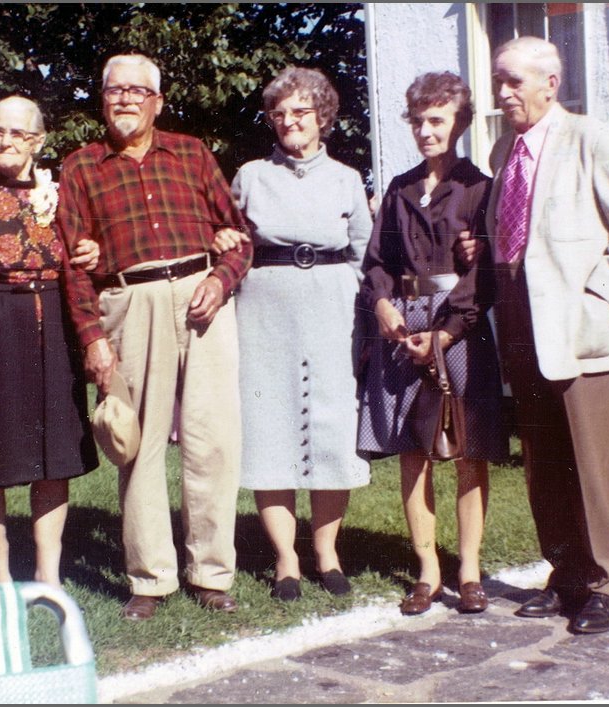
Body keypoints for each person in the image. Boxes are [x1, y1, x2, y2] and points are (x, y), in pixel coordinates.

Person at [56, 53, 253, 620]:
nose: (124, 100)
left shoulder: (191, 153)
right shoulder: (82, 166)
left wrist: (222, 279)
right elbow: (73, 264)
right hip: (128, 301)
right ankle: (150, 579)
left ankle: (211, 573)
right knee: (135, 444)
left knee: (212, 439)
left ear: (157, 102)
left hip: (202, 299)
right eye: (113, 90)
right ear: (103, 99)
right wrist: (93, 337)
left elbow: (240, 235)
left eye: (137, 91)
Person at [484, 37, 609, 633]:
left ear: (550, 83)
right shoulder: (503, 149)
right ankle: (564, 576)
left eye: (514, 82)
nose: (502, 93)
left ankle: (607, 583)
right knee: (543, 459)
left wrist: (601, 298)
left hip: (579, 326)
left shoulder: (592, 139)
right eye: (498, 81)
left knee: (589, 462)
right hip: (519, 318)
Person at [357, 71, 510, 615]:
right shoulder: (398, 188)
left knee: (468, 451)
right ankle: (427, 570)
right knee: (414, 451)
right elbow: (376, 264)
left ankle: (469, 571)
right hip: (404, 325)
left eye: (437, 120)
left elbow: (485, 273)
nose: (425, 131)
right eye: (418, 121)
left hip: (457, 327)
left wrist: (445, 334)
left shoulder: (481, 189)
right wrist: (383, 307)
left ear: (460, 123)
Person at [0, 96, 101, 587]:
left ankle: (47, 574)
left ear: (38, 141)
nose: (7, 141)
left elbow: (88, 245)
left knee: (54, 454)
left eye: (19, 134)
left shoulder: (60, 191)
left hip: (53, 319)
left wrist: (93, 249)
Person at [230, 66, 371, 601]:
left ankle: (326, 552)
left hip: (333, 309)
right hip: (264, 313)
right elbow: (233, 248)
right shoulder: (250, 176)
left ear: (322, 118)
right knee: (272, 426)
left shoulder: (346, 179)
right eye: (280, 113)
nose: (290, 122)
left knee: (332, 425)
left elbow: (363, 251)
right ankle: (285, 558)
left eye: (301, 113)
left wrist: (353, 307)